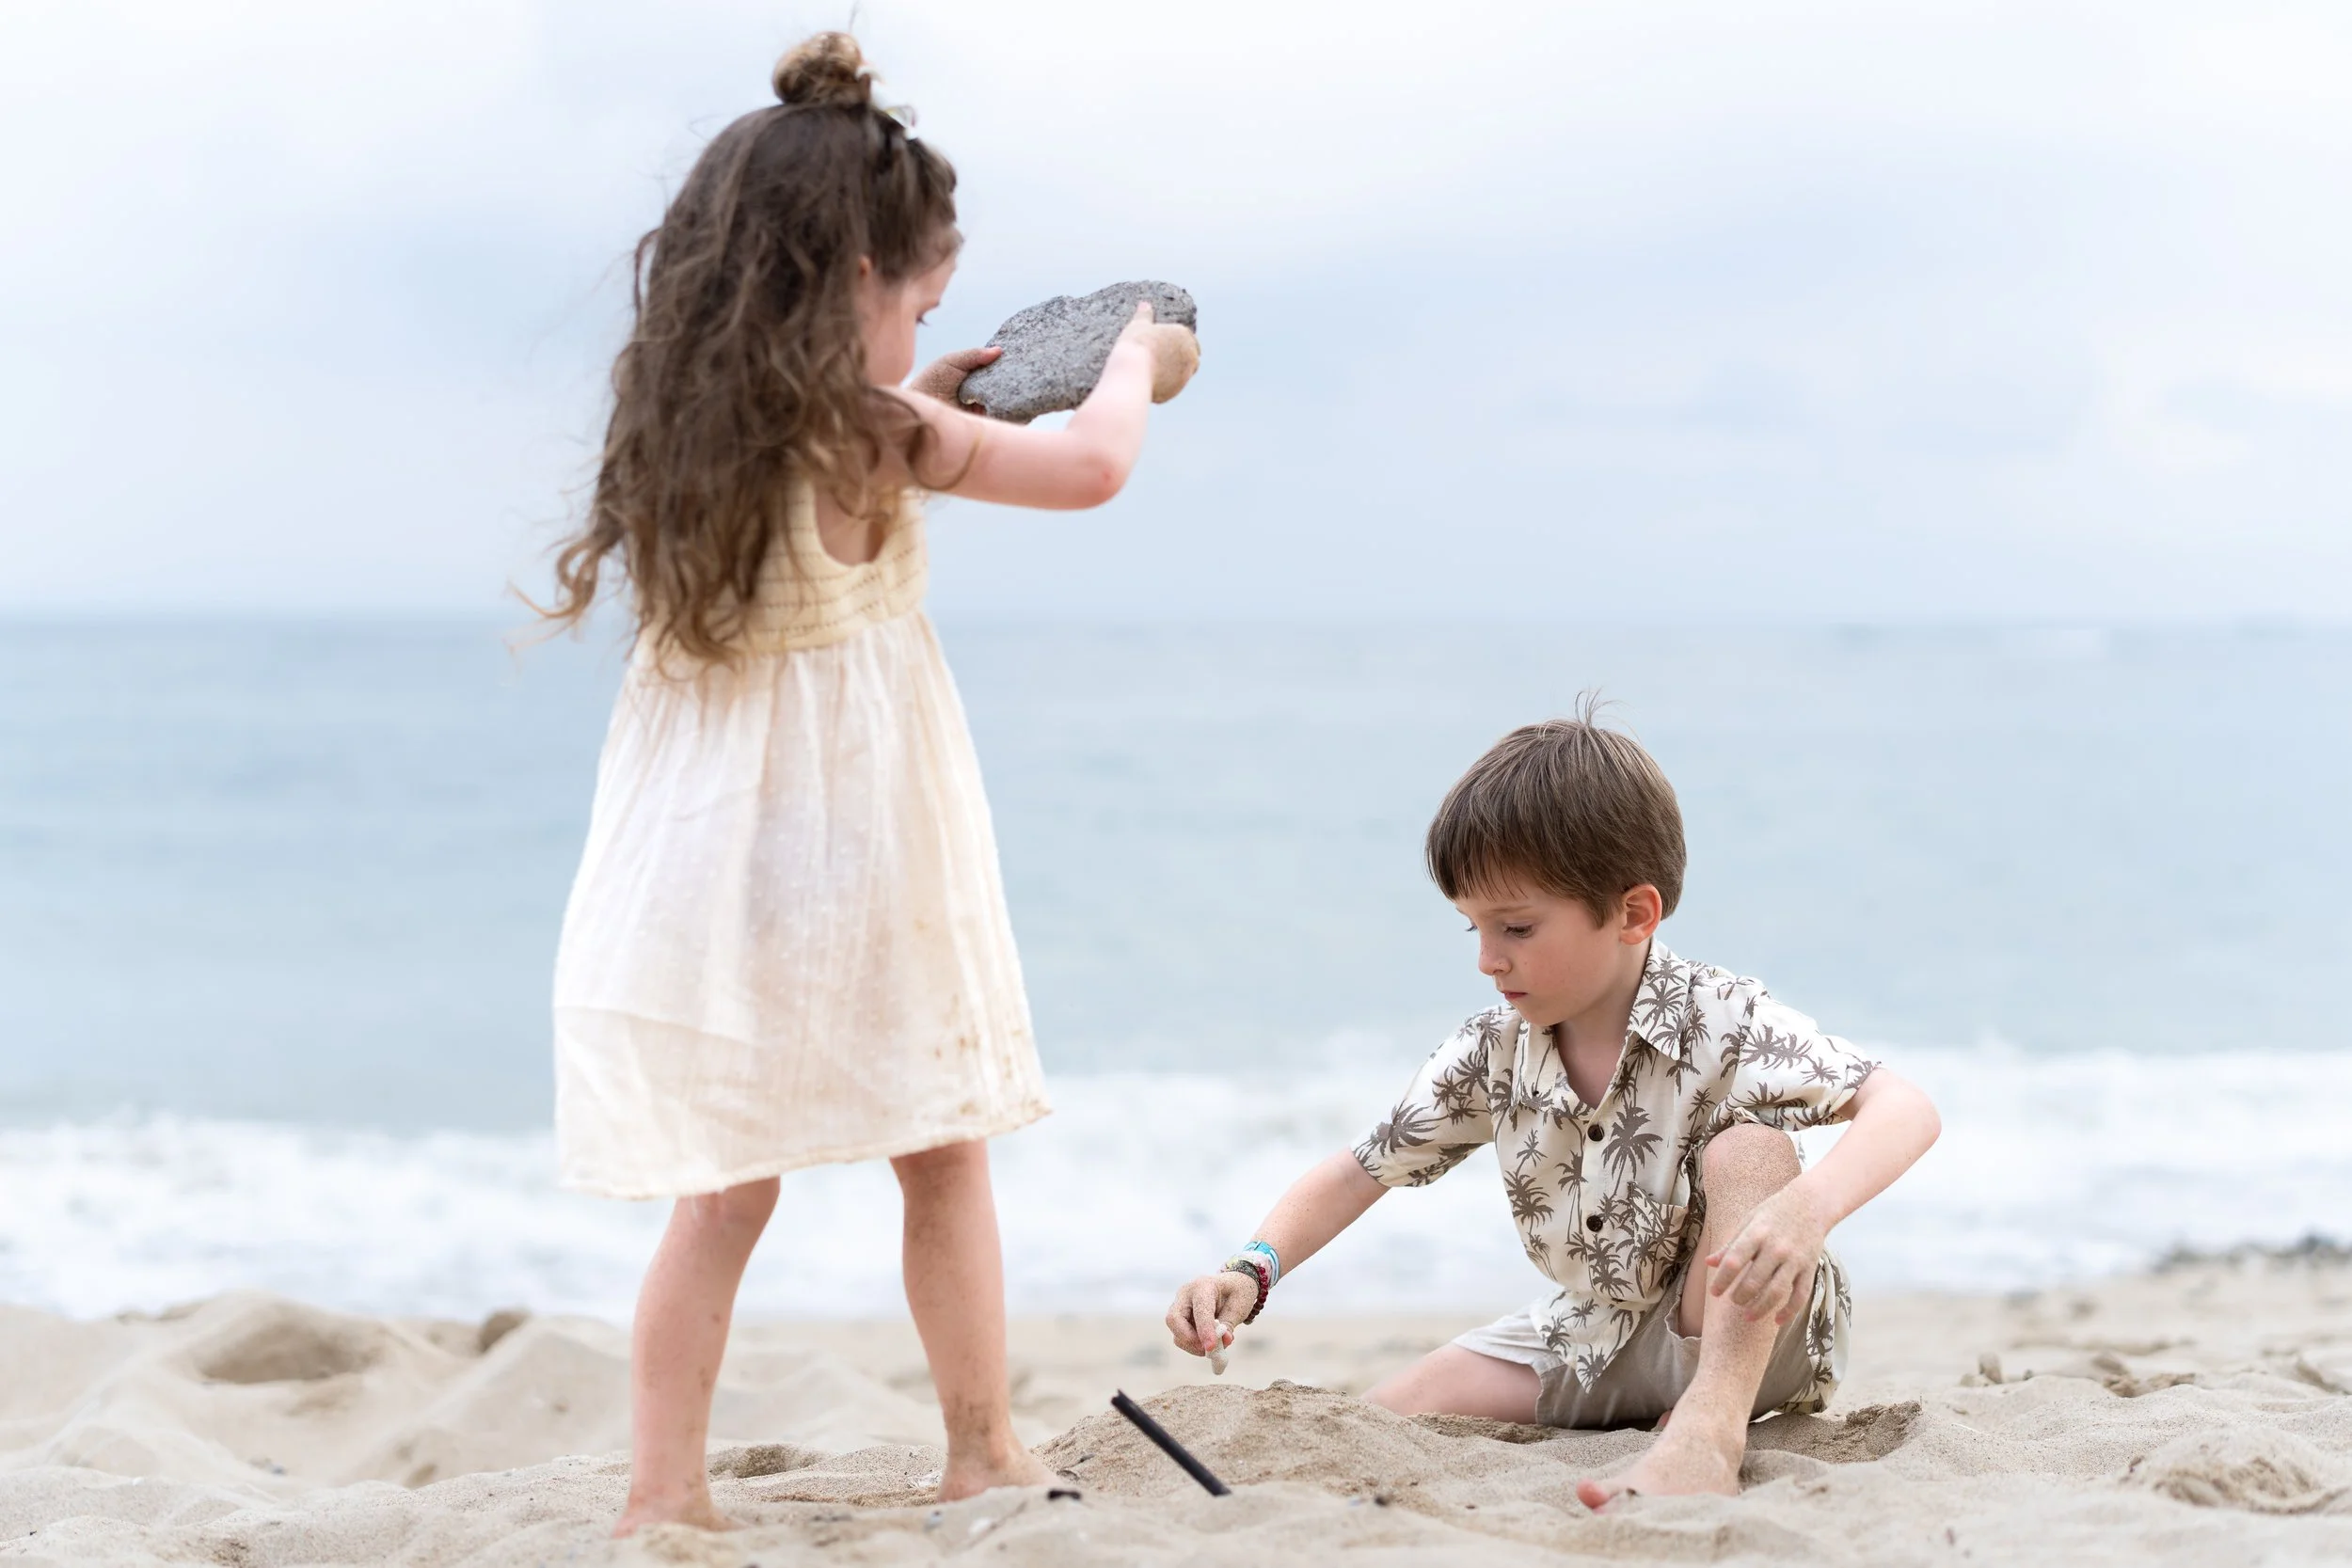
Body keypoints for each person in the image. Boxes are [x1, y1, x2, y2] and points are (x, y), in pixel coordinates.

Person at [539, 33, 1200, 1534]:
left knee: (725, 1188)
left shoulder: (694, 428)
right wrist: (1131, 362)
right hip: (858, 843)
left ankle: (663, 1491)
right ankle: (979, 1447)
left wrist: (938, 393)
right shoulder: (874, 429)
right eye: (917, 305)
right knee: (940, 1143)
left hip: (711, 853)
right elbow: (1094, 470)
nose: (922, 333)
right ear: (848, 278)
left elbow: (865, 460)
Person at [1164, 707, 1941, 1508]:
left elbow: (1905, 1105)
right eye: (1474, 926)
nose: (1486, 958)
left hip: (1746, 1324)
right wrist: (1251, 1269)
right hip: (1589, 1330)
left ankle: (1708, 1432)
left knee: (1751, 1151)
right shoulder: (1494, 1050)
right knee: (1381, 1416)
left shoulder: (1723, 1018)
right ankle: (1663, 1419)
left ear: (1634, 913)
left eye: (1517, 927)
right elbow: (1360, 1171)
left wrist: (1808, 1210)